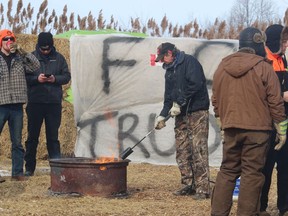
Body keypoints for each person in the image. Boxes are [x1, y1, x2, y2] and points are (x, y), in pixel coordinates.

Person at [210, 26, 288, 216]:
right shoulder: (264, 67)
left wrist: (222, 124)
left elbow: (215, 99)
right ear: (259, 43)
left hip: (231, 129)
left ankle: (218, 213)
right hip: (258, 131)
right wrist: (282, 129)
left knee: (227, 171)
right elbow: (275, 101)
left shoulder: (222, 66)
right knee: (252, 174)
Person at [154, 42, 210, 200]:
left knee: (198, 149)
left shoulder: (189, 62)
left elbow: (196, 84)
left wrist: (179, 101)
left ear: (170, 53)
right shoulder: (169, 71)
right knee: (182, 149)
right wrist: (162, 116)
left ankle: (203, 189)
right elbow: (168, 98)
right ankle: (188, 184)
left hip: (197, 111)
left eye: (163, 57)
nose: (162, 61)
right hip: (180, 114)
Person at [24, 32, 71, 176]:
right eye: (43, 49)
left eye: (48, 48)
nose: (45, 51)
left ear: (52, 46)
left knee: (53, 137)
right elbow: (24, 77)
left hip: (53, 103)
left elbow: (67, 76)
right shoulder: (30, 58)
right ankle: (29, 168)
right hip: (35, 102)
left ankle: (56, 169)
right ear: (38, 46)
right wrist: (36, 79)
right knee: (32, 137)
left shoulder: (59, 58)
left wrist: (55, 79)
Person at [0, 29, 40, 181]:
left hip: (16, 105)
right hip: (1, 104)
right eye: (5, 39)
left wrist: (22, 51)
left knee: (17, 142)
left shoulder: (19, 58)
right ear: (1, 42)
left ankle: (17, 173)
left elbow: (36, 66)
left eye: (11, 39)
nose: (8, 42)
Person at [259, 24, 288, 216]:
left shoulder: (283, 60)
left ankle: (284, 207)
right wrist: (282, 95)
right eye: (284, 41)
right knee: (265, 168)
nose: (286, 45)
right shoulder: (262, 61)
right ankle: (260, 207)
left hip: (284, 124)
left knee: (285, 167)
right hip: (267, 124)